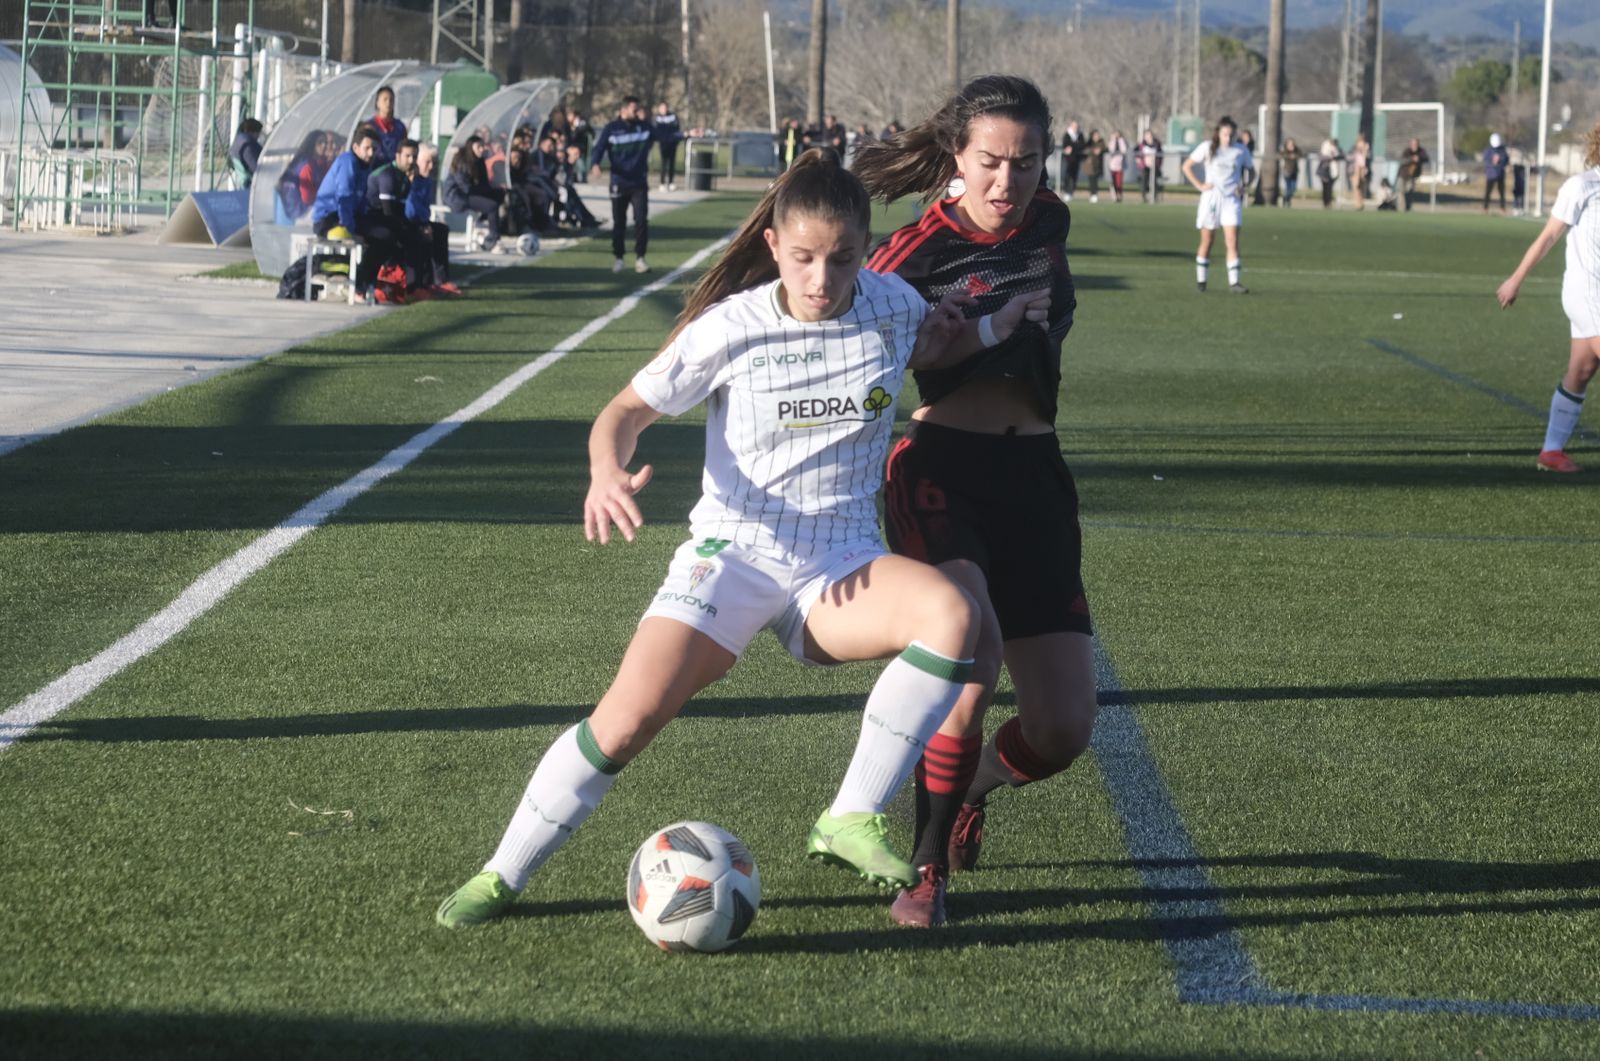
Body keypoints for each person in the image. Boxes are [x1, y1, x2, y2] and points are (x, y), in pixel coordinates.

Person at [434, 149, 1052, 929]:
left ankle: (848, 817)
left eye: (842, 258)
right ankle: (501, 873)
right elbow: (623, 413)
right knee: (624, 721)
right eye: (803, 259)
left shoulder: (892, 302)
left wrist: (994, 324)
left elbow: (928, 345)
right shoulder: (729, 328)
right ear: (773, 248)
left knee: (955, 616)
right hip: (732, 555)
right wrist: (603, 472)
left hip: (841, 561)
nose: (823, 279)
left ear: (866, 248)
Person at [853, 74, 1087, 928]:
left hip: (1037, 481)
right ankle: (923, 869)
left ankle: (972, 785)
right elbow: (844, 332)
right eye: (990, 161)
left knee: (1062, 730)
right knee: (969, 667)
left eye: (1025, 163)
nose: (1007, 181)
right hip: (940, 470)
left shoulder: (1051, 220)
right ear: (957, 155)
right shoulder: (914, 251)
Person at [1495, 120, 1600, 474]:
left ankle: (1551, 453)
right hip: (1587, 292)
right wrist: (1516, 279)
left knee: (1582, 370)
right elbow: (1548, 237)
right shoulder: (1582, 186)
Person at [591, 95, 697, 275]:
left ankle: (640, 258)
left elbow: (666, 137)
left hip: (638, 183)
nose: (638, 112)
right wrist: (595, 163)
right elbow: (599, 148)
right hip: (619, 182)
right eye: (634, 109)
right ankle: (619, 257)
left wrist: (686, 134)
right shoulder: (612, 129)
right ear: (623, 110)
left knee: (641, 221)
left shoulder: (644, 128)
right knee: (619, 222)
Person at [311, 124, 401, 302]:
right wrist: (351, 230)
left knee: (389, 233)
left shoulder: (364, 166)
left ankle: (365, 283)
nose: (371, 153)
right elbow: (344, 198)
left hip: (349, 216)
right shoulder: (348, 162)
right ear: (355, 147)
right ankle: (358, 285)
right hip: (330, 219)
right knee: (380, 237)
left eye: (374, 149)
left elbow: (359, 201)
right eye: (367, 148)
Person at [1182, 115, 1251, 294]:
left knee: (1232, 241)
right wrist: (1200, 186)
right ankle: (1201, 281)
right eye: (1225, 134)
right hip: (1211, 199)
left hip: (1231, 200)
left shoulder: (1241, 150)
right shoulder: (1207, 147)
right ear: (1218, 134)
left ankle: (1234, 283)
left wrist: (1244, 187)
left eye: (1231, 135)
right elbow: (1187, 166)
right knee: (1207, 240)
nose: (1228, 138)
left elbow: (1252, 171)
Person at [407, 143, 461, 296]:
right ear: (417, 161)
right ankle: (420, 283)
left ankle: (441, 280)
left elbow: (425, 207)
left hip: (421, 221)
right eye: (427, 162)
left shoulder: (427, 180)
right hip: (408, 221)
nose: (431, 166)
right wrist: (422, 225)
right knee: (420, 236)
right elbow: (409, 208)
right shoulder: (410, 178)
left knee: (441, 230)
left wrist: (425, 223)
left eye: (434, 163)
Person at [443, 135, 506, 253]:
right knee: (491, 206)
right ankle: (493, 241)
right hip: (457, 197)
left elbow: (483, 184)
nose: (482, 149)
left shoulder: (480, 161)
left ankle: (482, 222)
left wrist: (495, 188)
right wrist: (487, 189)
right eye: (479, 146)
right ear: (470, 147)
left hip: (470, 193)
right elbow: (465, 188)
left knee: (499, 193)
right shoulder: (462, 161)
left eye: (483, 146)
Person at [369, 86, 407, 164]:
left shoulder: (400, 127)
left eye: (391, 100)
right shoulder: (370, 126)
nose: (388, 103)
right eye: (385, 99)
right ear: (377, 103)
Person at [652, 101, 682, 191]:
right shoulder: (657, 118)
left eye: (665, 107)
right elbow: (656, 129)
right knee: (664, 163)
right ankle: (662, 183)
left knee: (672, 163)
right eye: (662, 108)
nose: (664, 109)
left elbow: (676, 128)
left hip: (672, 143)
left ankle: (671, 182)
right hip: (663, 143)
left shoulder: (673, 116)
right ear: (659, 109)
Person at [229, 118, 263, 189]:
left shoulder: (238, 142)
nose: (258, 136)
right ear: (252, 132)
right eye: (258, 133)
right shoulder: (247, 146)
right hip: (251, 185)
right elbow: (256, 168)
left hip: (244, 183)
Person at [1399, 137, 1429, 211]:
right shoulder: (1407, 151)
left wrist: (1419, 158)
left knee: (1410, 191)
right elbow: (1402, 160)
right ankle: (1401, 208)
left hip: (1413, 175)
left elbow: (1426, 158)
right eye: (1413, 144)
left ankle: (1408, 207)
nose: (1414, 145)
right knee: (1401, 191)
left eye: (1415, 144)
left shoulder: (1421, 151)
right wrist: (1411, 159)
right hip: (1404, 175)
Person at [1483, 133, 1510, 214]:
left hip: (1500, 174)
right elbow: (1486, 161)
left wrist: (1500, 162)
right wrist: (1492, 162)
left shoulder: (1502, 150)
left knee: (1501, 192)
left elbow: (1506, 160)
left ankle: (1502, 208)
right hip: (1490, 175)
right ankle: (1485, 208)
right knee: (1488, 192)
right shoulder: (1488, 150)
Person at [1059, 119, 1085, 200]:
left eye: (1077, 126)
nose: (1075, 128)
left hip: (1076, 159)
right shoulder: (1067, 135)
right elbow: (1065, 146)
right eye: (1074, 126)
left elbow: (1081, 145)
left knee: (1074, 176)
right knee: (1067, 176)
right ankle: (1066, 192)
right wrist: (1073, 146)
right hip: (1067, 160)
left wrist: (1072, 147)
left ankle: (1071, 192)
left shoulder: (1080, 135)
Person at [1138, 128, 1163, 202]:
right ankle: (1144, 196)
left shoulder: (1156, 143)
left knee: (1154, 181)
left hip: (1154, 166)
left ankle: (1154, 196)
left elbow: (1160, 154)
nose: (1149, 137)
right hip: (1145, 166)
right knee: (1144, 181)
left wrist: (1158, 163)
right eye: (1147, 135)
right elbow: (1138, 153)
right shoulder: (1142, 144)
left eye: (1150, 135)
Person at [1317, 137, 1342, 209]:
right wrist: (1328, 158)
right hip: (1324, 170)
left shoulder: (1337, 149)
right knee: (1325, 187)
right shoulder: (1324, 148)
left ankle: (1329, 202)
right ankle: (1325, 202)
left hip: (1333, 170)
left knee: (1330, 187)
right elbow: (1321, 157)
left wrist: (1335, 157)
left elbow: (1342, 156)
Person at [1238, 129, 1261, 206]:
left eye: (1247, 136)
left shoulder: (1251, 144)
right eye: (1244, 136)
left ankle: (1243, 193)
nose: (1245, 138)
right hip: (1239, 166)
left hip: (1247, 166)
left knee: (1246, 181)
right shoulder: (1238, 143)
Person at [1348, 132, 1371, 210]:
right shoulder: (1353, 148)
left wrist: (1365, 151)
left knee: (1362, 187)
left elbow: (1368, 158)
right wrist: (1356, 153)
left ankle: (1361, 204)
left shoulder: (1367, 149)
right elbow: (1348, 157)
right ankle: (1357, 204)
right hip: (1354, 170)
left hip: (1363, 170)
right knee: (1356, 187)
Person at [1279, 138, 1304, 207]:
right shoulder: (1284, 150)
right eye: (1289, 144)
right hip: (1287, 171)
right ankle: (1287, 201)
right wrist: (1289, 155)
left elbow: (1301, 155)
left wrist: (1295, 155)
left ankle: (1286, 198)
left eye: (1292, 144)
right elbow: (1281, 155)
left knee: (1293, 188)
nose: (1291, 145)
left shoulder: (1296, 150)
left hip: (1294, 171)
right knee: (1288, 188)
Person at [1082, 130, 1105, 203]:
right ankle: (1093, 195)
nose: (1097, 136)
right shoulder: (1089, 143)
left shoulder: (1101, 142)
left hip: (1098, 165)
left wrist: (1098, 150)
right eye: (1095, 135)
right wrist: (1093, 150)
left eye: (1098, 135)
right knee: (1091, 180)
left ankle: (1095, 194)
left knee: (1095, 180)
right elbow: (1085, 148)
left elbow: (1102, 149)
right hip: (1090, 165)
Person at [1106, 129, 1129, 203]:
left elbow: (1124, 150)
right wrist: (1113, 140)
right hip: (1112, 165)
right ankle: (1114, 196)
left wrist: (1120, 140)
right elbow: (1111, 150)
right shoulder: (1112, 142)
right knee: (1113, 182)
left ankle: (1119, 195)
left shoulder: (1122, 141)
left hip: (1120, 165)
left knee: (1119, 182)